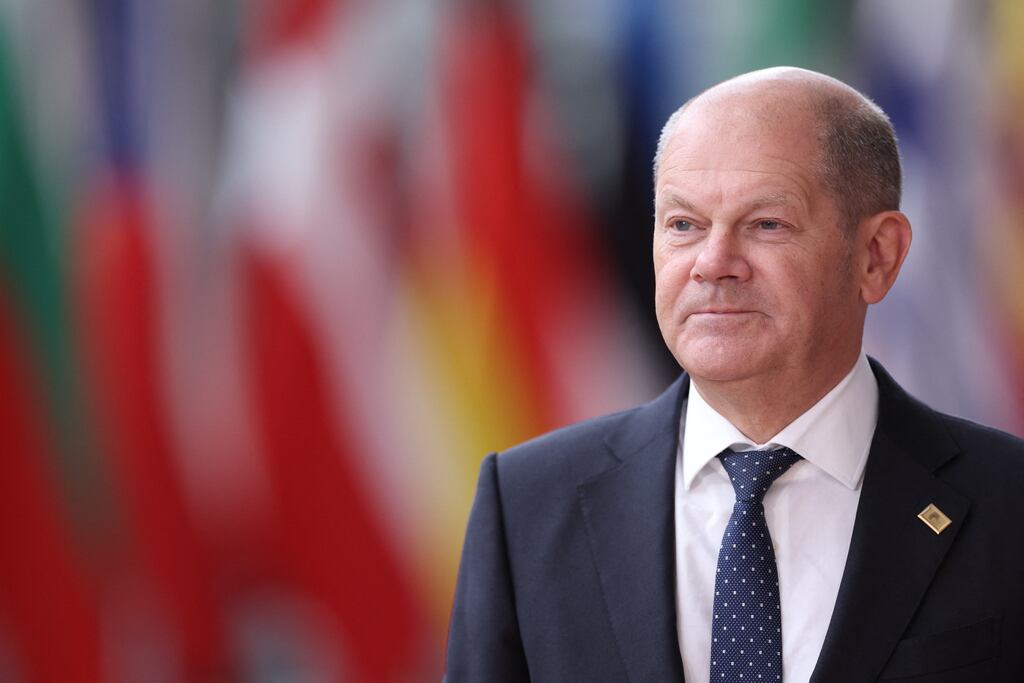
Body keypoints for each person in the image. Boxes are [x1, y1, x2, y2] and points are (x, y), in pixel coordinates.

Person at [444, 67, 1024, 682]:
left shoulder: (1009, 504)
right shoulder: (528, 506)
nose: (713, 264)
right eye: (683, 225)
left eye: (766, 224)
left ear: (876, 256)